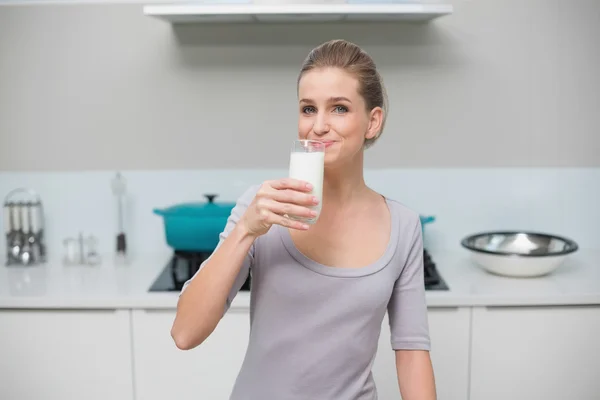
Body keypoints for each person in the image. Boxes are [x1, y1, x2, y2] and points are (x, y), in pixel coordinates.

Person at [171, 39, 437, 400]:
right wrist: (247, 230)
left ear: (372, 122)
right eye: (308, 109)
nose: (319, 126)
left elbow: (411, 354)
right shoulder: (261, 207)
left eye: (339, 108)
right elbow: (185, 333)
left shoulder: (404, 225)